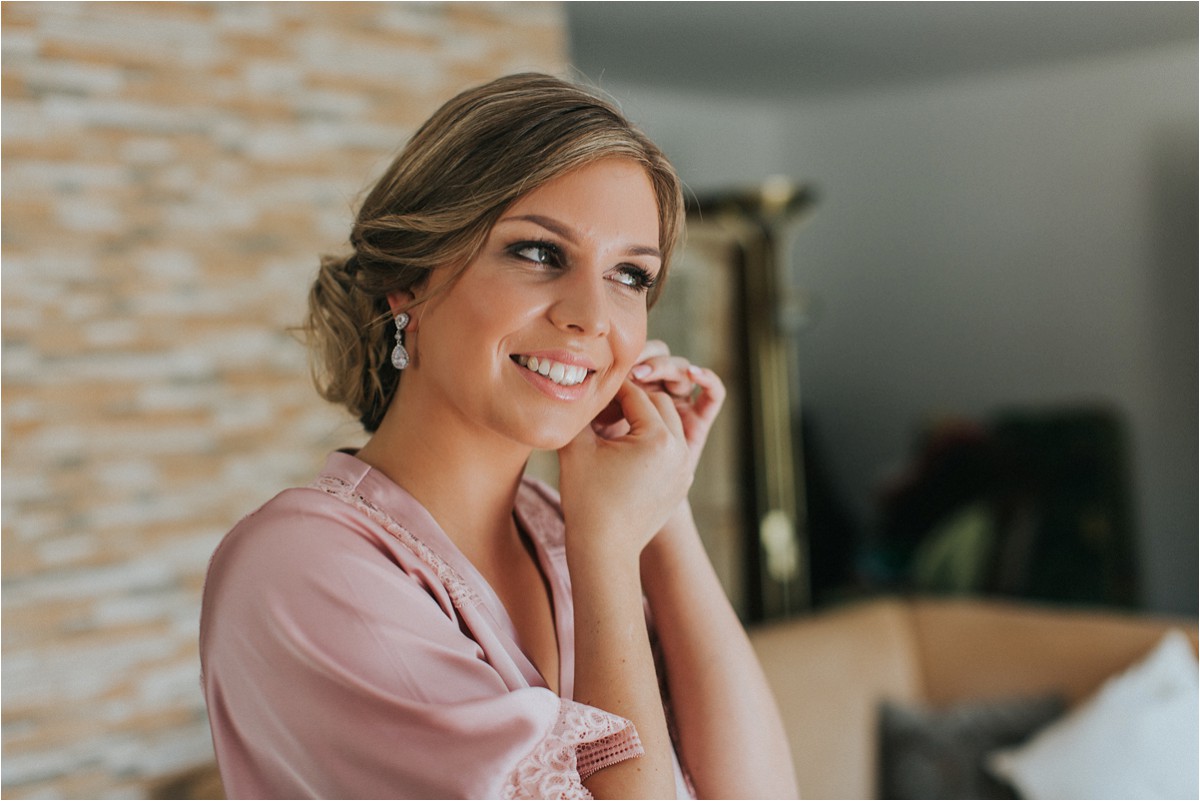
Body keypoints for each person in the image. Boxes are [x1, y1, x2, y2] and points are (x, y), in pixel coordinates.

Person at [199, 73, 796, 800]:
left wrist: (663, 514)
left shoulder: (557, 527)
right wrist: (608, 553)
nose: (591, 316)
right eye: (540, 253)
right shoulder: (301, 569)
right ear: (408, 279)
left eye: (631, 274)